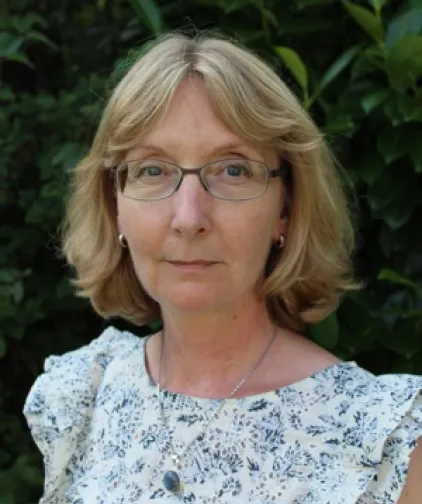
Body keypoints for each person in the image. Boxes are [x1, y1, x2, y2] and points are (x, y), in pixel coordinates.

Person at [24, 32, 422, 504]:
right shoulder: (81, 399)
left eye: (233, 169)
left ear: (286, 208)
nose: (189, 217)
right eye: (153, 170)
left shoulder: (384, 442)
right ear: (115, 206)